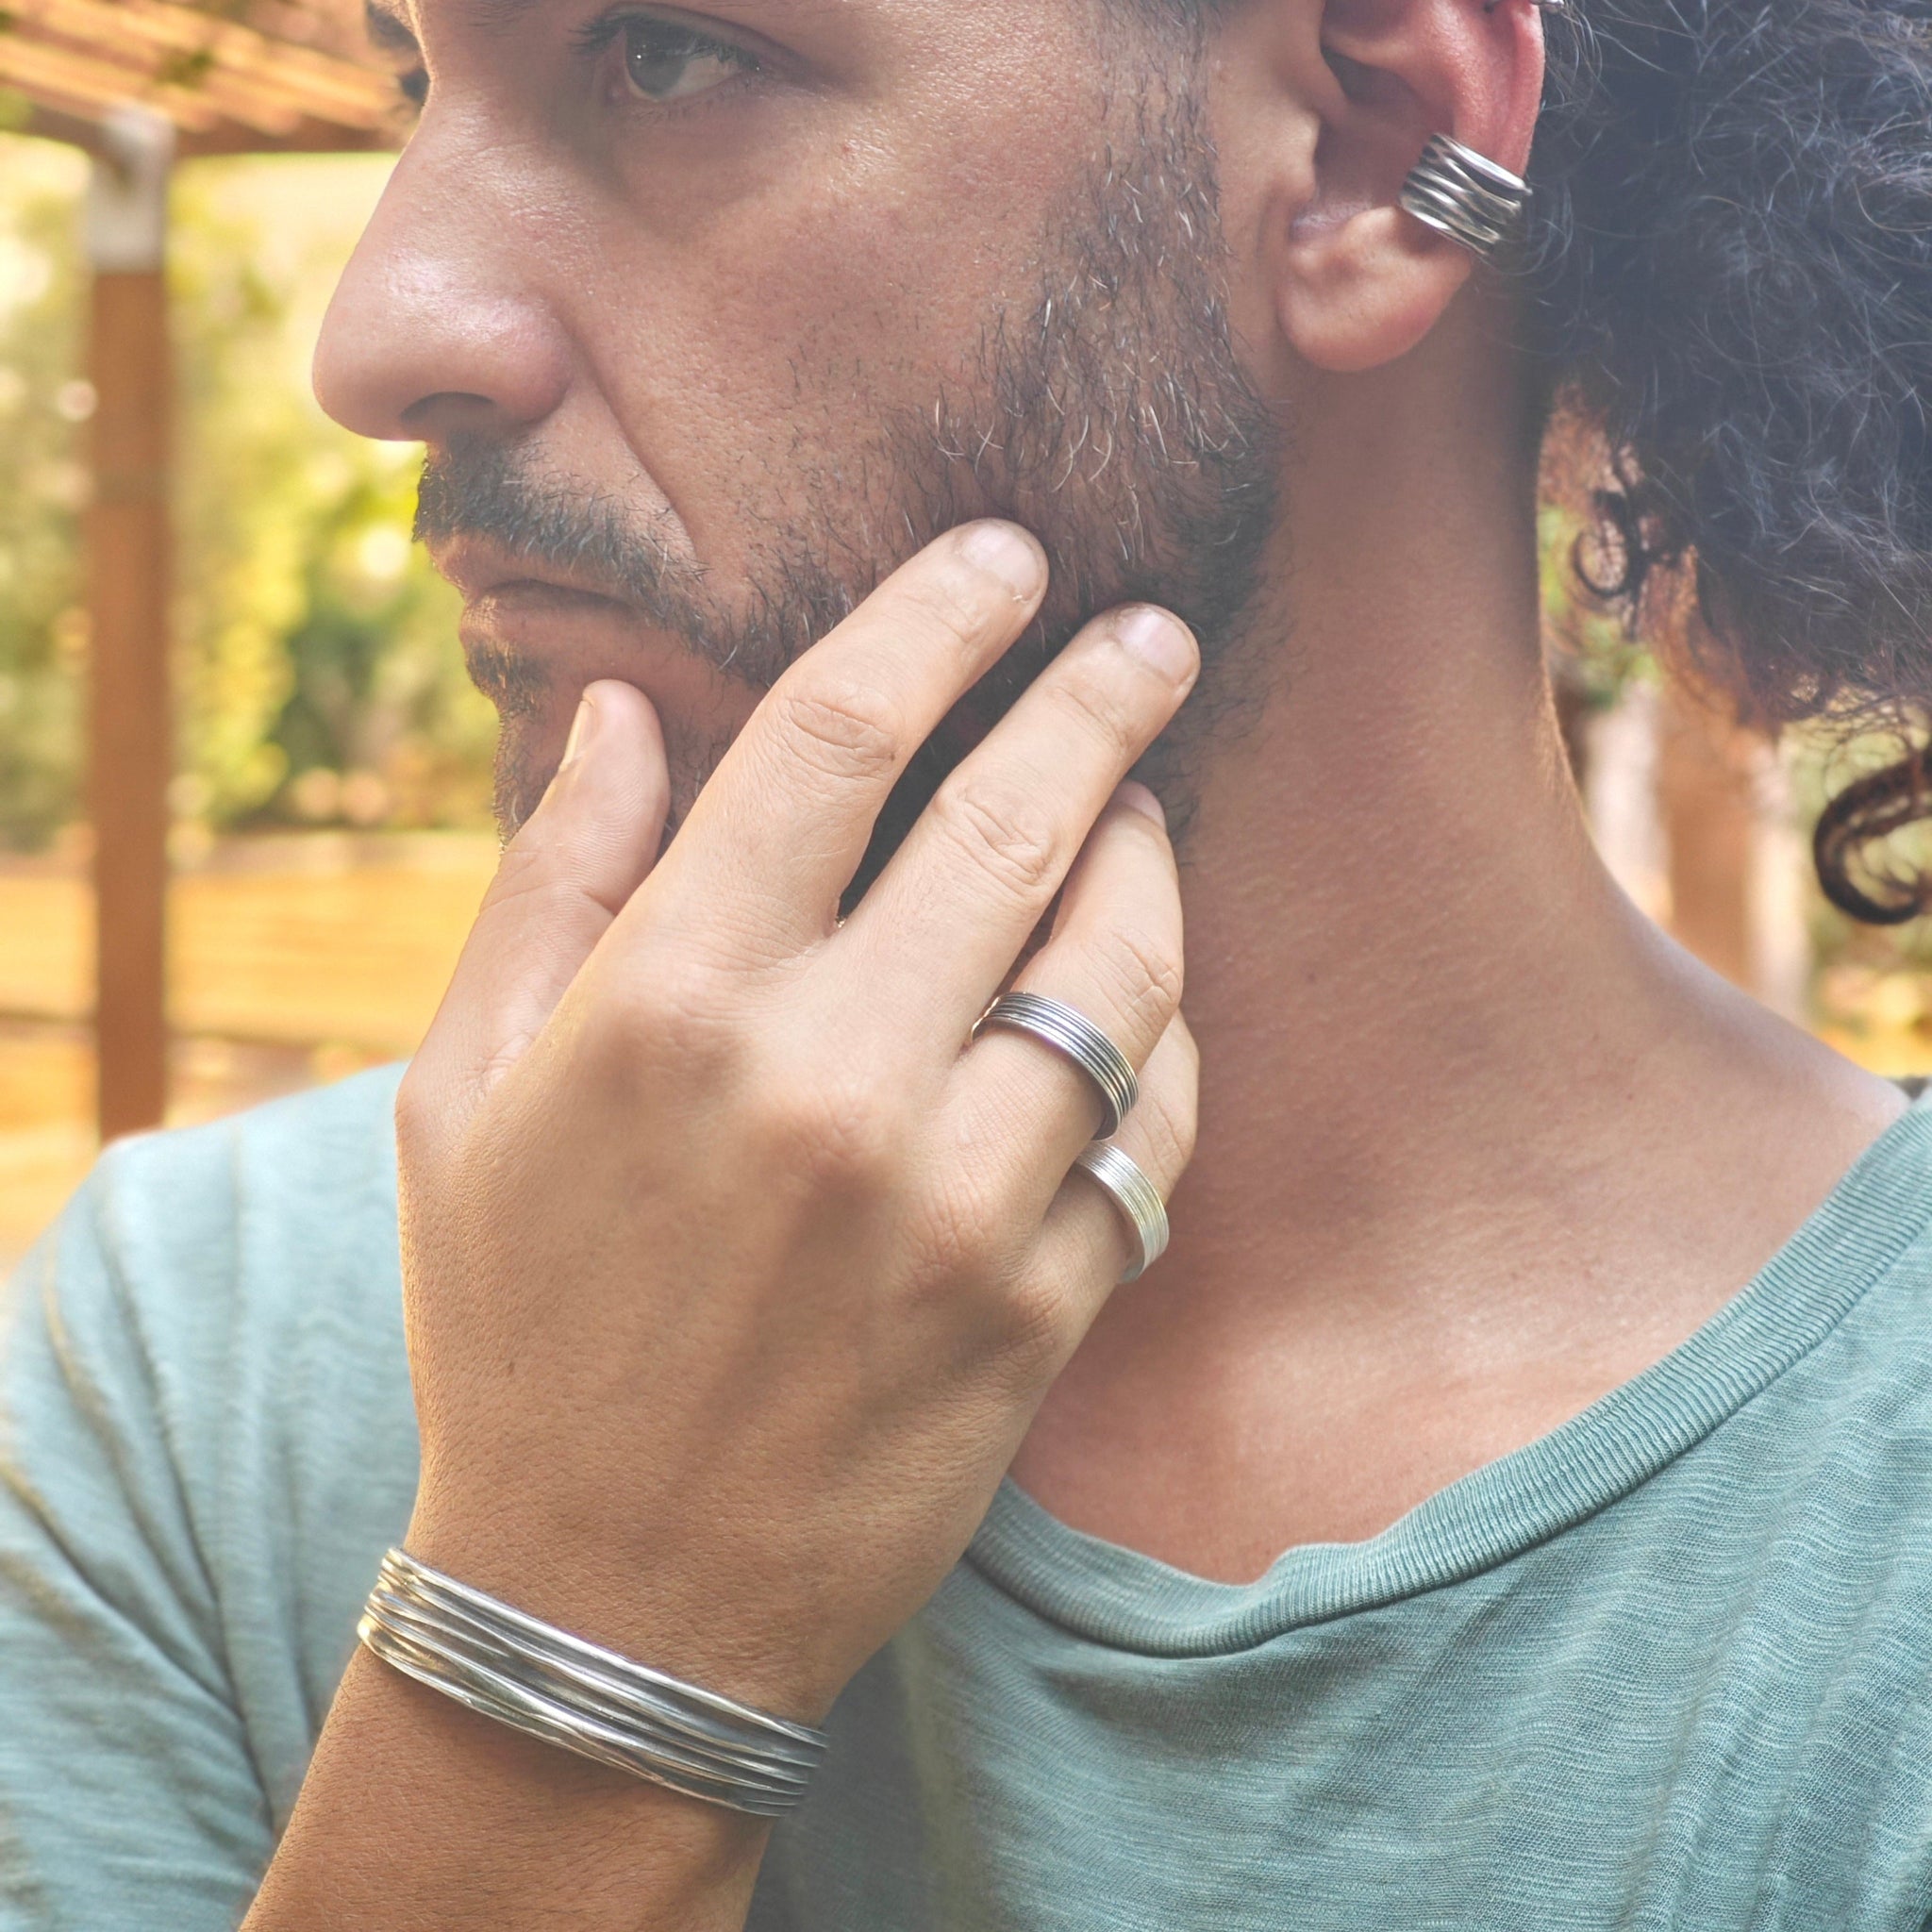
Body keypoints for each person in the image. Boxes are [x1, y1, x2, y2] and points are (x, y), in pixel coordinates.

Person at [5, 0, 1932, 1924]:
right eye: (422, 83)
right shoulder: (194, 1372)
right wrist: (572, 1626)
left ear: (1361, 152)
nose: (379, 332)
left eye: (666, 58)